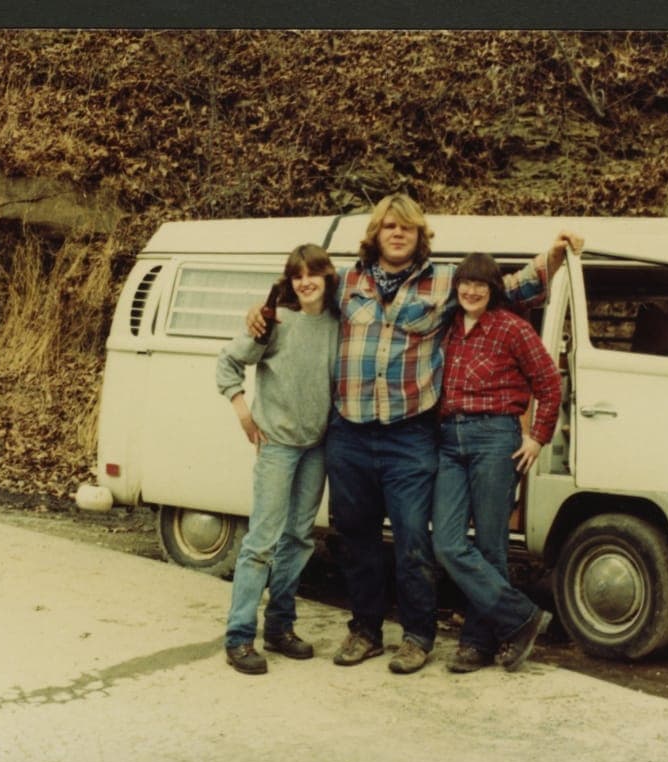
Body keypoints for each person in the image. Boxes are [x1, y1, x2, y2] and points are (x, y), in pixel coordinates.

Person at [250, 195, 581, 674]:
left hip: (411, 435)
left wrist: (552, 256)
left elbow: (507, 289)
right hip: (351, 432)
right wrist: (257, 312)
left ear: (419, 234)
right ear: (376, 234)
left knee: (413, 542)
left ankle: (417, 636)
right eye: (388, 227)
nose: (397, 234)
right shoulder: (347, 282)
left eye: (406, 227)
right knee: (356, 539)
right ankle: (364, 632)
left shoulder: (446, 281)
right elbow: (296, 299)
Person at [432, 253, 562, 673]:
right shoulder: (447, 327)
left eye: (481, 285)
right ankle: (520, 617)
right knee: (448, 542)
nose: (471, 291)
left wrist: (538, 436)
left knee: (491, 546)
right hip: (448, 438)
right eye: (465, 283)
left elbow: (548, 380)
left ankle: (477, 643)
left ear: (492, 291)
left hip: (495, 437)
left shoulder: (512, 327)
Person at [216, 243, 340, 675]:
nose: (305, 282)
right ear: (289, 281)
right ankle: (239, 637)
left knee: (299, 539)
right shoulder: (275, 322)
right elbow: (228, 363)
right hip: (278, 446)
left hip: (317, 446)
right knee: (262, 542)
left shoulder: (338, 323)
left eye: (313, 274)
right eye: (297, 275)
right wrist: (243, 412)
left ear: (327, 277)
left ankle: (280, 627)